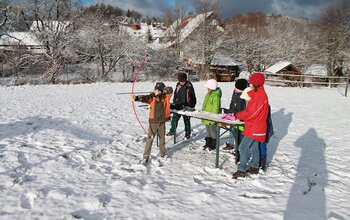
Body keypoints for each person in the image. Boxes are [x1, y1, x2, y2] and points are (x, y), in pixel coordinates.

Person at [232, 72, 269, 179]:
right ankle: (254, 166)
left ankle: (242, 169)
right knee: (254, 147)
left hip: (255, 126)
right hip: (255, 126)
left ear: (256, 83)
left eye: (251, 83)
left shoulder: (260, 96)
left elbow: (251, 112)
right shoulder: (257, 93)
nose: (250, 84)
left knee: (242, 147)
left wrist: (238, 115)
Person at [131, 82, 173, 164]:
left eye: (159, 90)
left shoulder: (166, 97)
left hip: (162, 122)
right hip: (153, 122)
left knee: (162, 139)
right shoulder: (152, 98)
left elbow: (170, 90)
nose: (157, 91)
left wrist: (162, 91)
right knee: (150, 139)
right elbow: (144, 98)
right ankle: (145, 157)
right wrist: (136, 98)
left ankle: (162, 155)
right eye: (156, 90)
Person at [223, 78, 249, 156]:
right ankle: (234, 147)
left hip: (240, 120)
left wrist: (238, 116)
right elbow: (232, 103)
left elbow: (243, 109)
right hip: (233, 117)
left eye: (236, 88)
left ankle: (239, 152)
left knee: (240, 136)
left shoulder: (244, 97)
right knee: (233, 133)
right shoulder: (235, 93)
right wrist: (229, 112)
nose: (234, 89)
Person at [167, 72, 197, 139]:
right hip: (177, 106)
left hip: (186, 106)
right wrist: (174, 102)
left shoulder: (189, 86)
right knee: (174, 119)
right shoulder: (178, 85)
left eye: (183, 81)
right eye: (180, 81)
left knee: (186, 120)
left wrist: (191, 107)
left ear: (186, 80)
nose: (182, 83)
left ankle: (188, 133)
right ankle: (172, 131)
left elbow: (193, 97)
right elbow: (175, 94)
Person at [202, 79, 222, 150]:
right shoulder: (208, 94)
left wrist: (213, 118)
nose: (207, 89)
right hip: (206, 116)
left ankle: (213, 144)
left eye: (208, 88)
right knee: (207, 130)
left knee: (212, 131)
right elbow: (205, 104)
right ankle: (208, 142)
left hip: (212, 117)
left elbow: (215, 108)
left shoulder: (216, 96)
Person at [259, 105, 274, 171]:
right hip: (259, 128)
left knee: (262, 145)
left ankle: (262, 165)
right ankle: (259, 161)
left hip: (264, 129)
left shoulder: (265, 105)